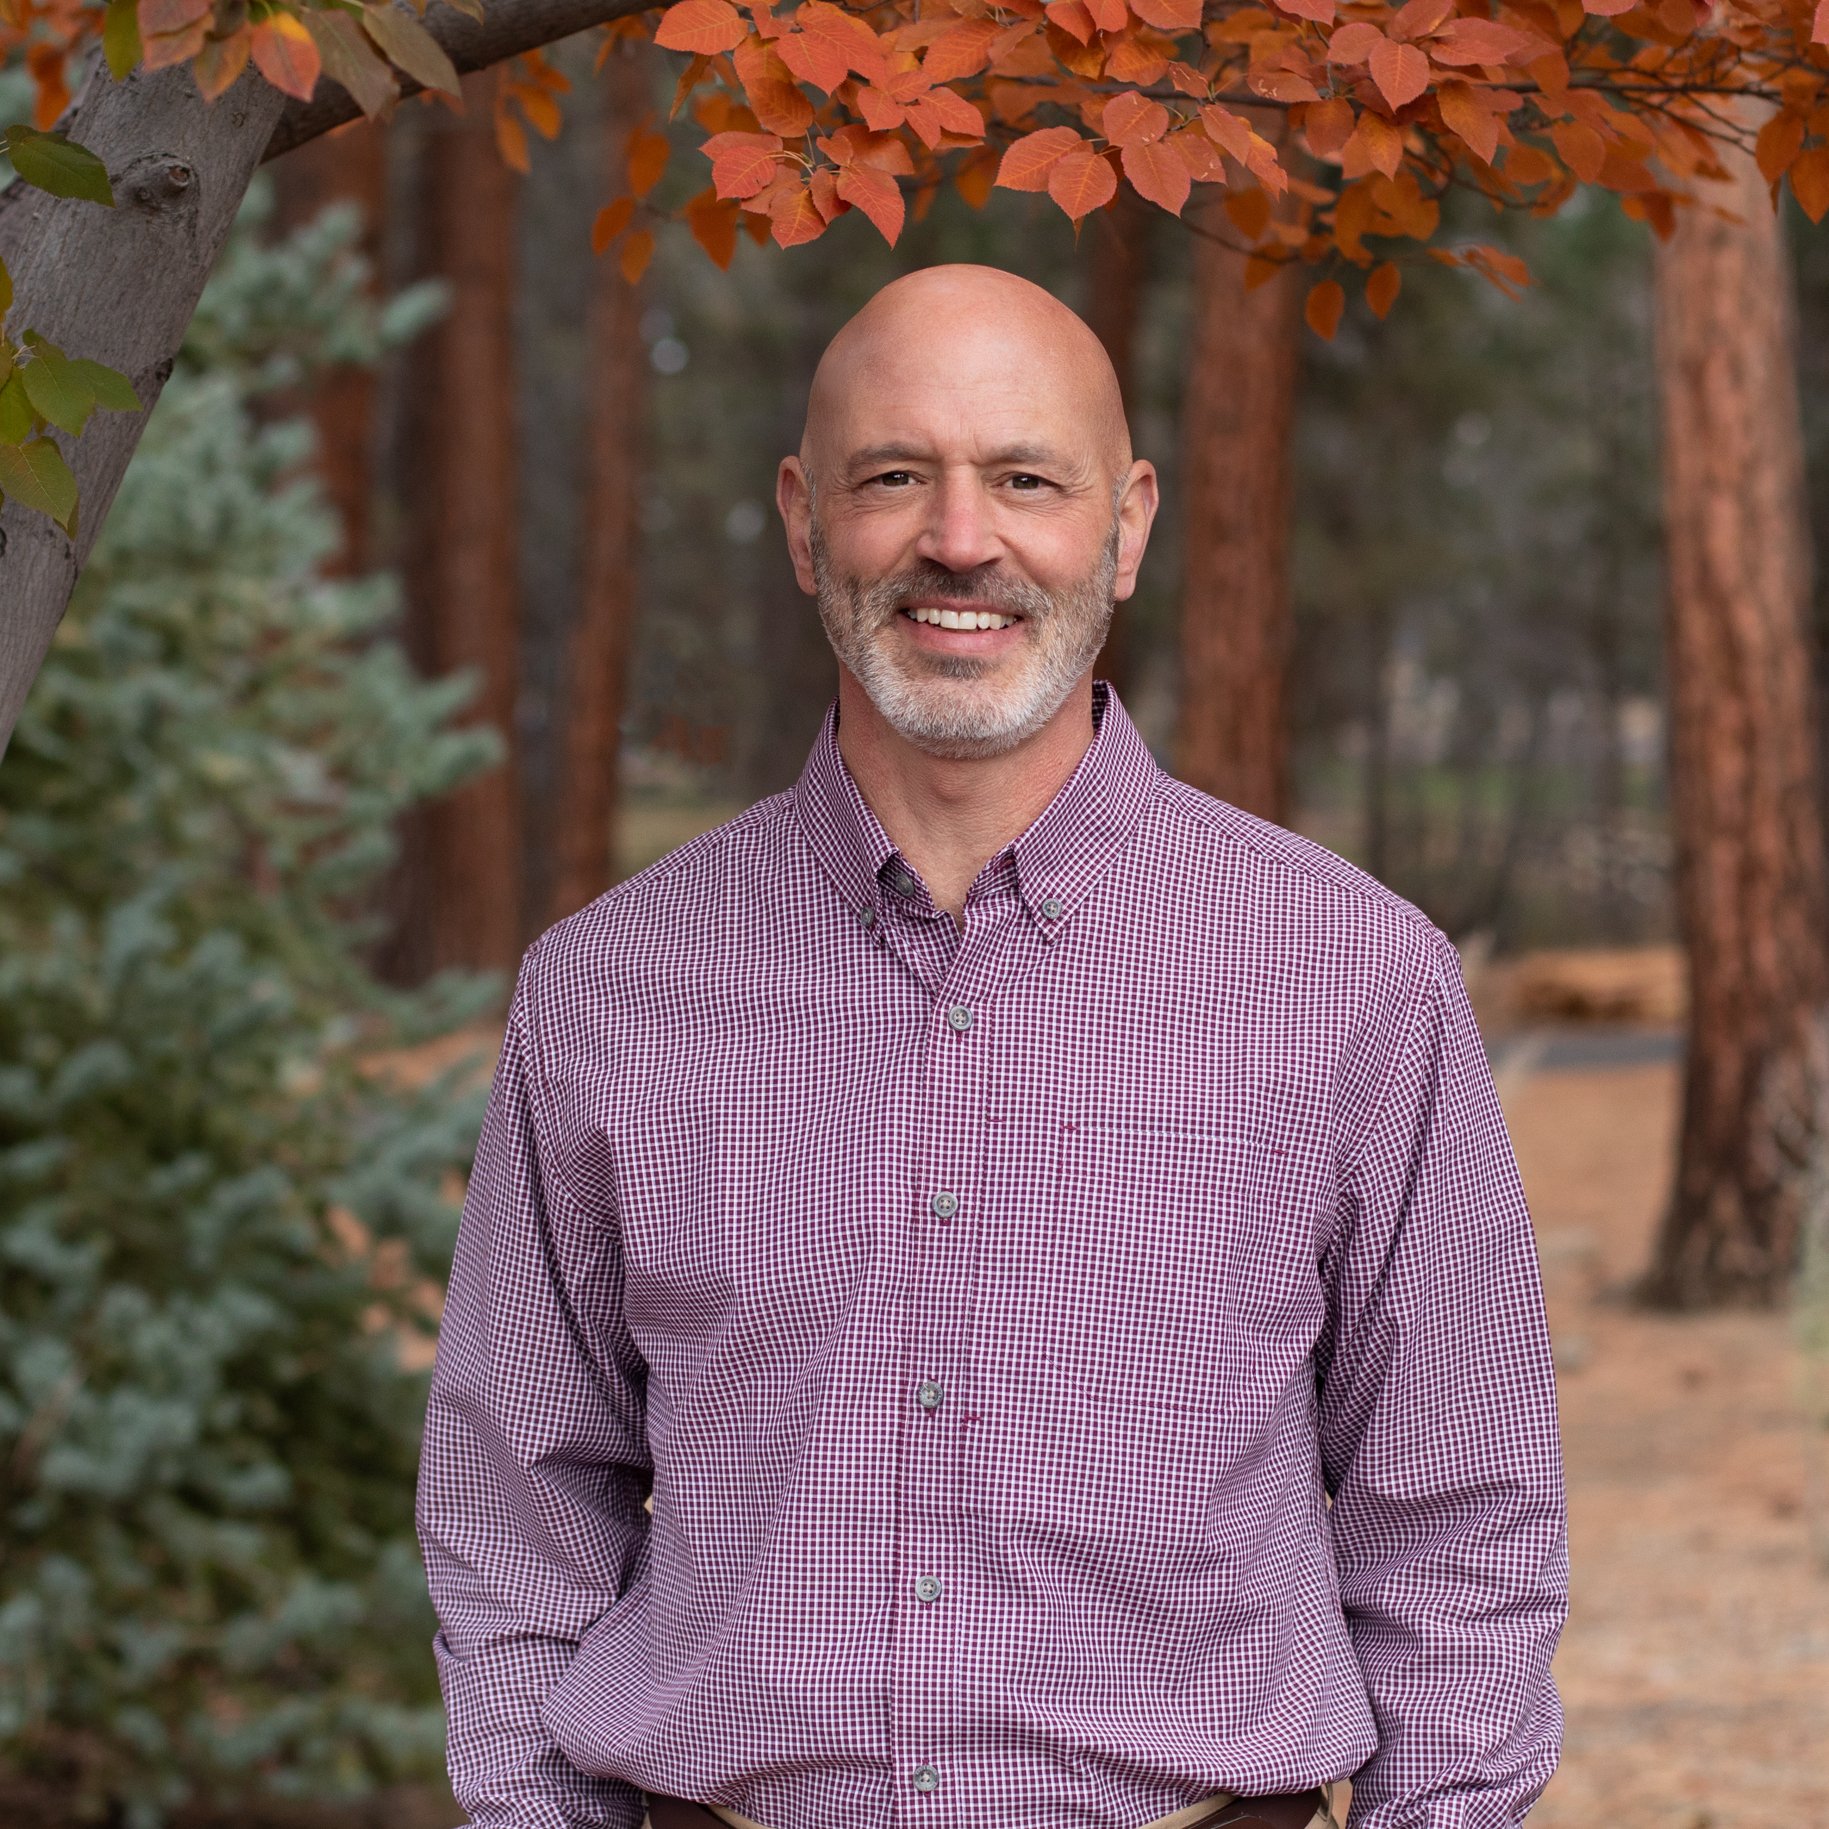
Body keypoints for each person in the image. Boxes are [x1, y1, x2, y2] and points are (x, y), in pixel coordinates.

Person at [417, 263, 1568, 1829]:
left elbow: (1460, 1524)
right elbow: (514, 1512)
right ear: (804, 519)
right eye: (894, 478)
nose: (960, 540)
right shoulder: (608, 991)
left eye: (1025, 478)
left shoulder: (1352, 977)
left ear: (1128, 521)